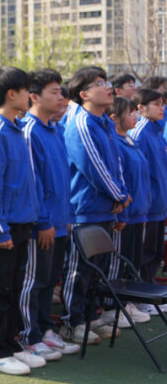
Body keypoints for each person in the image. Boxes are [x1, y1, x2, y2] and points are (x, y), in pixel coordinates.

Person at [0, 67, 45, 375]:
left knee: (14, 287)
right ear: (11, 94)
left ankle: (11, 343)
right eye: (26, 90)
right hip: (2, 225)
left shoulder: (16, 128)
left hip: (20, 223)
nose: (30, 96)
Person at [60, 66, 130, 344]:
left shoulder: (103, 123)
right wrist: (119, 196)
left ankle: (90, 315)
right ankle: (71, 321)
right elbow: (94, 167)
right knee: (79, 268)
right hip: (84, 208)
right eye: (100, 83)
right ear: (83, 93)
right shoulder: (81, 123)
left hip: (105, 206)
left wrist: (121, 194)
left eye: (107, 81)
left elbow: (117, 162)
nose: (108, 87)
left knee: (96, 267)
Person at [22, 70, 80, 359]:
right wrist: (43, 220)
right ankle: (29, 334)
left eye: (61, 91)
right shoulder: (30, 130)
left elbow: (60, 181)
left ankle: (45, 329)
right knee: (35, 281)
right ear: (34, 96)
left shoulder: (54, 130)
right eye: (54, 92)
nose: (61, 97)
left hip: (58, 222)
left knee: (49, 279)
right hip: (41, 225)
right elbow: (33, 184)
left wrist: (64, 218)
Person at [106, 96, 152, 326]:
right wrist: (122, 213)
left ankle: (128, 303)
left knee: (132, 259)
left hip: (138, 213)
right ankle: (114, 306)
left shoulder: (131, 141)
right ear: (115, 117)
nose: (135, 116)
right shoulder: (114, 142)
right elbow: (121, 180)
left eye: (136, 112)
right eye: (130, 112)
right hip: (124, 214)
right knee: (118, 262)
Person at [130, 87, 167, 314]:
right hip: (147, 205)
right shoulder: (140, 132)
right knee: (142, 254)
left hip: (159, 204)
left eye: (163, 103)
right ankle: (141, 298)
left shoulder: (155, 131)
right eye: (157, 104)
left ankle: (150, 293)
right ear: (141, 108)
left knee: (154, 252)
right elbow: (138, 174)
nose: (162, 108)